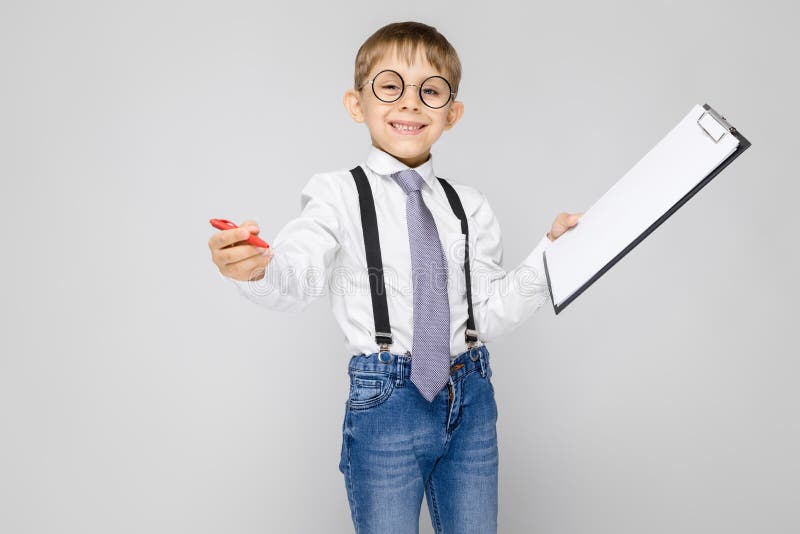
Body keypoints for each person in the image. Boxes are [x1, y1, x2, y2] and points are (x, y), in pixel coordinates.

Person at [208, 21, 581, 534]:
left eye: (430, 91)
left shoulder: (468, 206)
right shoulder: (336, 194)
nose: (410, 104)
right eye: (390, 86)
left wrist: (550, 258)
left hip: (470, 396)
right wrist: (257, 271)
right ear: (356, 104)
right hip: (386, 402)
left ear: (452, 114)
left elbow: (489, 311)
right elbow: (298, 273)